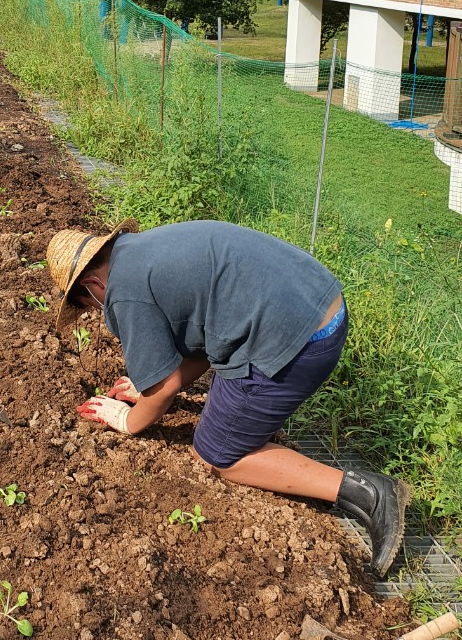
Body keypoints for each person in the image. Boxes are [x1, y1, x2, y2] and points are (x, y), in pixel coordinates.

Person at [47, 218, 411, 577]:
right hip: (319, 303)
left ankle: (369, 494)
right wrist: (150, 382)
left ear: (93, 284)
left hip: (298, 342)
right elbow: (201, 341)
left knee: (218, 452)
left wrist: (129, 418)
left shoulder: (122, 291)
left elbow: (166, 388)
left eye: (90, 305)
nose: (97, 310)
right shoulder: (140, 251)